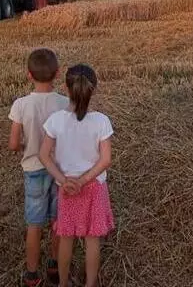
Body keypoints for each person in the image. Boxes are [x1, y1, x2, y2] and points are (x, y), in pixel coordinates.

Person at [39, 65, 115, 287]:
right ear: (94, 90)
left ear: (66, 88)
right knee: (92, 240)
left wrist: (64, 181)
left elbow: (44, 156)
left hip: (67, 189)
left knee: (66, 237)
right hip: (94, 187)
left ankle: (63, 283)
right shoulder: (102, 121)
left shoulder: (55, 120)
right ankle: (90, 284)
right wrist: (83, 181)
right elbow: (105, 160)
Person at [8, 48, 69, 286]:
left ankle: (32, 274)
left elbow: (13, 144)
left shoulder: (21, 104)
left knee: (34, 224)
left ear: (28, 75)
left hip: (33, 170)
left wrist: (27, 144)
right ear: (57, 73)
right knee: (57, 220)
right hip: (59, 170)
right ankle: (54, 265)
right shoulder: (65, 103)